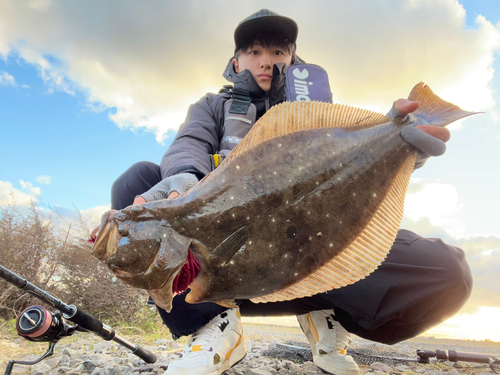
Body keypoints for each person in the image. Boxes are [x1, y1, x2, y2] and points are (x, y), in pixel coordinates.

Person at [104, 9, 472, 375]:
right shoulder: (212, 107)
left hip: (312, 256)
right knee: (136, 187)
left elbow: (356, 171)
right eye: (255, 51)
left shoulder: (314, 111)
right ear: (235, 61)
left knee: (447, 272)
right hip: (223, 264)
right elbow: (189, 144)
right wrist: (184, 180)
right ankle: (213, 325)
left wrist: (403, 148)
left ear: (293, 59)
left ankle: (325, 314)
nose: (266, 62)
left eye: (278, 53)